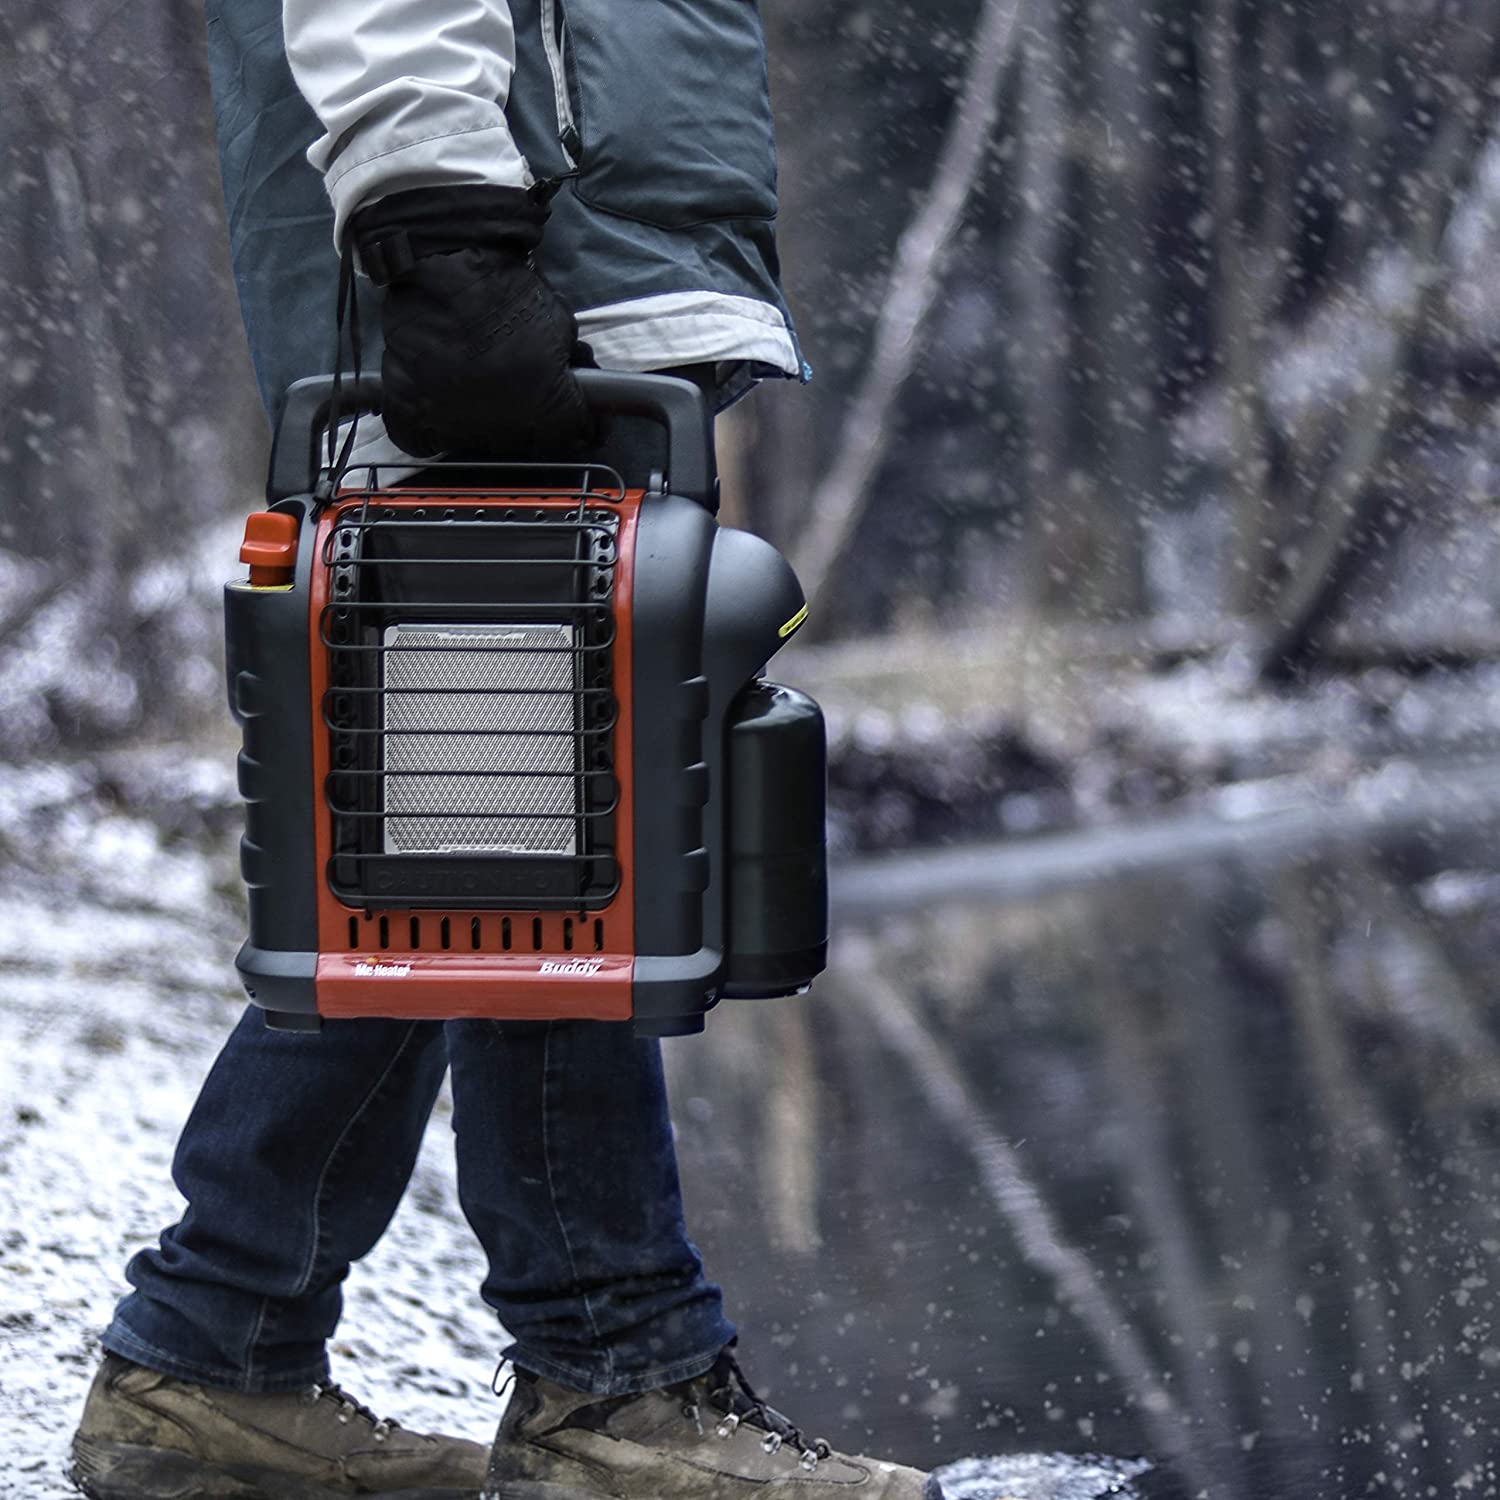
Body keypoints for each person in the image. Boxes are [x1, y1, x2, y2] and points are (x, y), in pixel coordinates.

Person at [68, 3, 942, 1499]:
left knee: (466, 857)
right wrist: (444, 241)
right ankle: (611, 1381)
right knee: (544, 852)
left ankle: (219, 1349)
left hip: (581, 291)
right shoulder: (472, 273)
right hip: (506, 296)